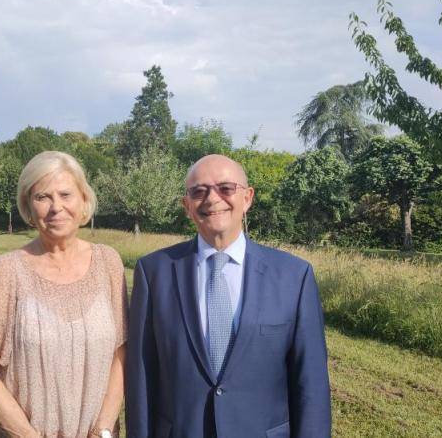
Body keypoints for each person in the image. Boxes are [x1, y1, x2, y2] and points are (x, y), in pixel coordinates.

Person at [125, 154, 331, 438]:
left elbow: (312, 385)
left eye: (226, 188)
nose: (212, 199)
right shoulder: (153, 273)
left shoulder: (294, 276)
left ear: (247, 198)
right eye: (199, 191)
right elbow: (141, 376)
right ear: (187, 206)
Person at [0, 151, 127, 438]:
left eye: (66, 195)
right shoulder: (8, 270)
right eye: (43, 197)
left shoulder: (109, 263)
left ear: (83, 201)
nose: (56, 207)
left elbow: (122, 353)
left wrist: (103, 429)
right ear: (28, 207)